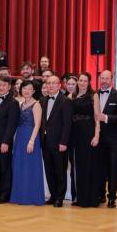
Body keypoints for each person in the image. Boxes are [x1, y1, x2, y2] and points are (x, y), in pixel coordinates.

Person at [94, 70, 117, 208]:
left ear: (112, 79)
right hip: (96, 138)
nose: (104, 81)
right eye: (102, 78)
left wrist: (107, 118)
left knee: (112, 169)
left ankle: (112, 198)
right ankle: (100, 195)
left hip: (112, 139)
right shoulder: (94, 95)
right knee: (99, 168)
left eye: (107, 78)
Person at [10, 80, 45, 205]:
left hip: (30, 137)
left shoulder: (36, 105)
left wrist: (31, 141)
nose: (26, 91)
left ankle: (31, 196)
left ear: (34, 91)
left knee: (30, 166)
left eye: (29, 89)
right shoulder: (20, 104)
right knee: (19, 166)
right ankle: (20, 196)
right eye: (24, 88)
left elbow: (37, 125)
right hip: (20, 137)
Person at [69, 72, 101, 207]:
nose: (82, 83)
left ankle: (89, 199)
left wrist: (97, 135)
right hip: (74, 133)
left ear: (89, 83)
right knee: (76, 166)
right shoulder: (71, 96)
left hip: (88, 133)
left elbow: (97, 117)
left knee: (88, 165)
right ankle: (79, 197)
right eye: (80, 80)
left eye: (85, 81)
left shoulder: (93, 96)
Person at [40, 75, 72, 207]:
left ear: (59, 85)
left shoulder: (65, 101)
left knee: (60, 170)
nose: (51, 85)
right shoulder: (42, 100)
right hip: (45, 141)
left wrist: (64, 142)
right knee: (49, 170)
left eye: (54, 83)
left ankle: (60, 197)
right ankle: (53, 195)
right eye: (49, 83)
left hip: (59, 143)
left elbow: (67, 124)